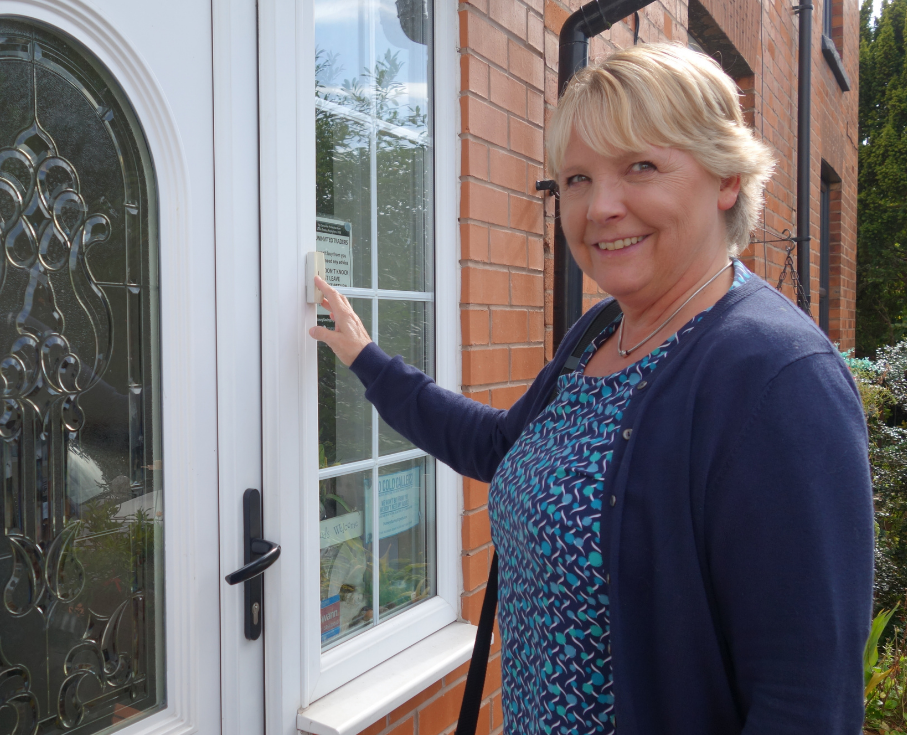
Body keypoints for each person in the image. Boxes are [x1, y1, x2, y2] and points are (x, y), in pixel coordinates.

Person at [309, 43, 873, 735]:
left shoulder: (775, 378)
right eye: (575, 178)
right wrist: (366, 357)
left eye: (640, 165)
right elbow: (497, 446)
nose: (600, 206)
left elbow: (804, 703)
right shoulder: (599, 333)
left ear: (725, 177)